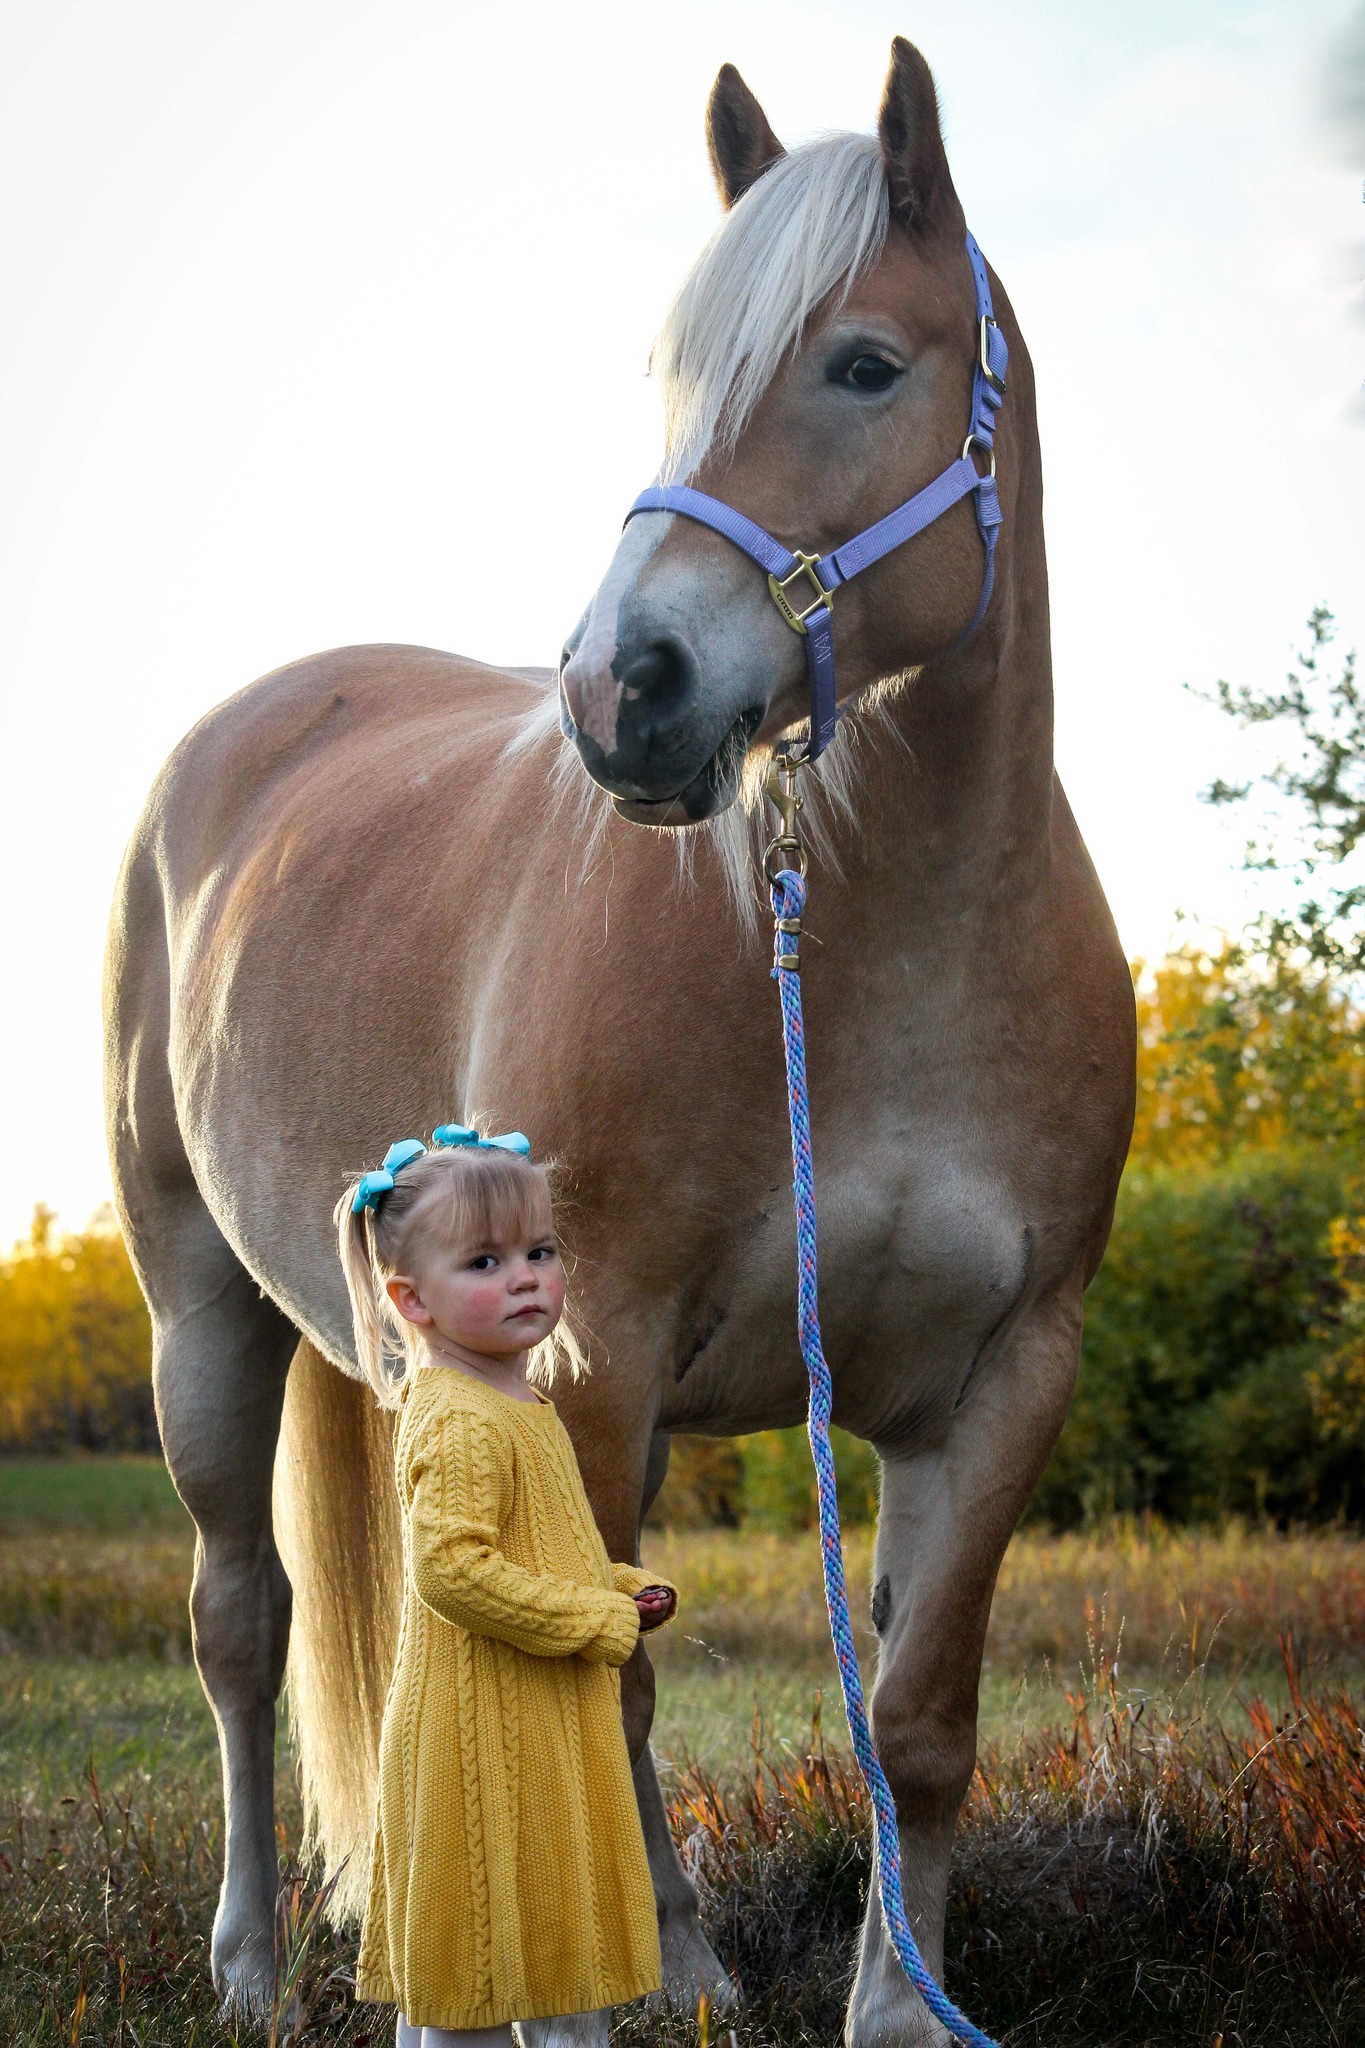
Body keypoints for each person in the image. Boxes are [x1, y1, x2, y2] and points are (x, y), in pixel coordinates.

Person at [336, 1124, 677, 2048]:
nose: (525, 1275)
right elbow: (455, 1572)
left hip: (536, 1717)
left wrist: (618, 1584)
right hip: (475, 1726)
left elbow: (534, 1549)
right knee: (474, 1968)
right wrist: (595, 1621)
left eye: (540, 1251)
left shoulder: (519, 1403)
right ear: (412, 1300)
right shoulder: (455, 1418)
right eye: (485, 1260)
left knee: (547, 1935)